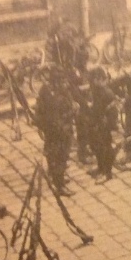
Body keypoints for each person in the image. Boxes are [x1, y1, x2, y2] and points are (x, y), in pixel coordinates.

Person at [34, 68, 76, 196]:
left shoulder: (46, 90)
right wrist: (73, 111)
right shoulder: (55, 96)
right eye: (62, 81)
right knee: (60, 156)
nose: (65, 83)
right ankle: (60, 185)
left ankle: (56, 177)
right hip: (58, 130)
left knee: (53, 155)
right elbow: (56, 116)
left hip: (54, 129)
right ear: (56, 82)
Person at [87, 68, 117, 183]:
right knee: (96, 146)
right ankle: (100, 168)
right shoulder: (96, 90)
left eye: (97, 79)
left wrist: (109, 124)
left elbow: (113, 111)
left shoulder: (107, 93)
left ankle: (107, 173)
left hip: (104, 125)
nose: (94, 81)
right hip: (96, 122)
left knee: (105, 148)